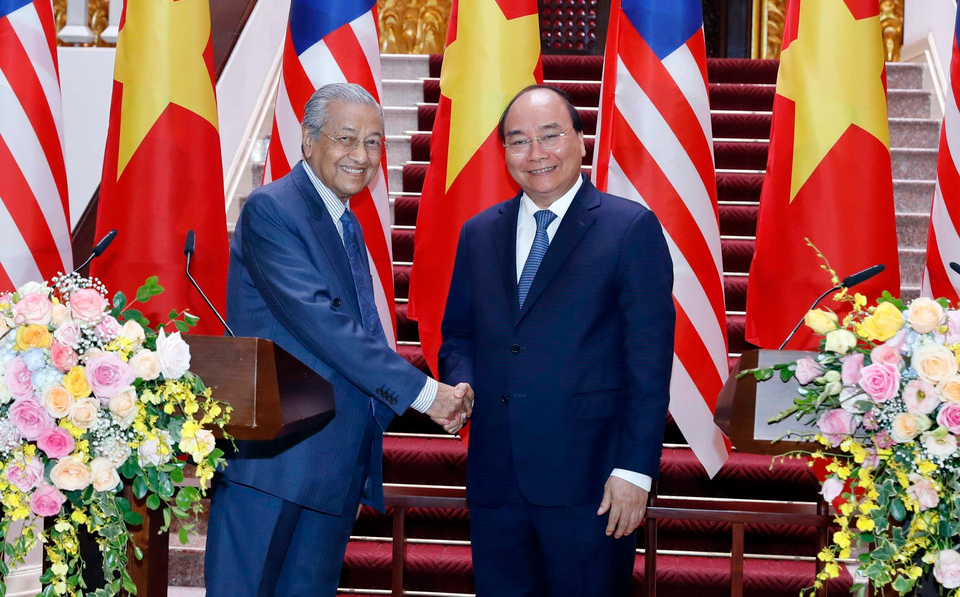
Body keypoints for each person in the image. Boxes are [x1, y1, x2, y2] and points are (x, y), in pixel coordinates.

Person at [204, 83, 473, 596]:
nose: (362, 155)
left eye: (374, 142)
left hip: (334, 462)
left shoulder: (344, 223)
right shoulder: (273, 210)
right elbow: (325, 326)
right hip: (274, 465)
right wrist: (427, 394)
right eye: (346, 138)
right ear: (308, 142)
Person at [439, 85, 675, 596]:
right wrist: (463, 383)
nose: (536, 153)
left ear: (581, 141)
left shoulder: (629, 228)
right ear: (503, 152)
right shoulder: (479, 232)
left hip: (592, 486)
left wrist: (635, 470)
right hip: (496, 480)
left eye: (550, 136)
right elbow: (459, 332)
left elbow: (649, 365)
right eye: (519, 141)